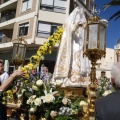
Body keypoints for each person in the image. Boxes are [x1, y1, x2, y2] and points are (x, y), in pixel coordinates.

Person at [53, 7, 90, 87]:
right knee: (73, 61)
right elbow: (68, 29)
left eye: (82, 15)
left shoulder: (84, 25)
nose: (80, 17)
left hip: (81, 48)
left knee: (80, 61)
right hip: (72, 46)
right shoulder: (69, 21)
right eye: (78, 15)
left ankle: (81, 80)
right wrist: (76, 25)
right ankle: (71, 79)